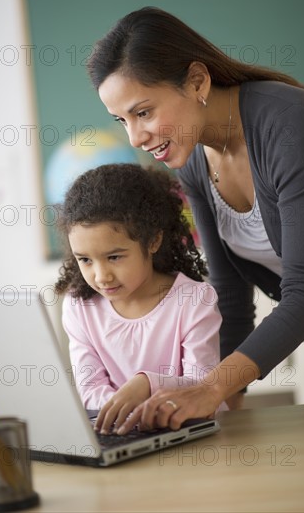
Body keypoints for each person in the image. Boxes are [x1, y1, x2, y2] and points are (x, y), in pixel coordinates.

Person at [86, 6, 304, 434]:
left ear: (197, 81)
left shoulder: (292, 126)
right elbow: (231, 302)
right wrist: (211, 419)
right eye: (121, 120)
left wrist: (209, 390)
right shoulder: (194, 160)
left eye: (143, 113)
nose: (135, 138)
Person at [55, 163, 226, 433]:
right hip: (125, 434)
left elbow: (202, 386)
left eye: (114, 257)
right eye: (85, 260)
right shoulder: (79, 307)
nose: (101, 276)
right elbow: (90, 392)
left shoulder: (194, 300)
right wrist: (136, 415)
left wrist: (147, 383)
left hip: (194, 434)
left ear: (153, 241)